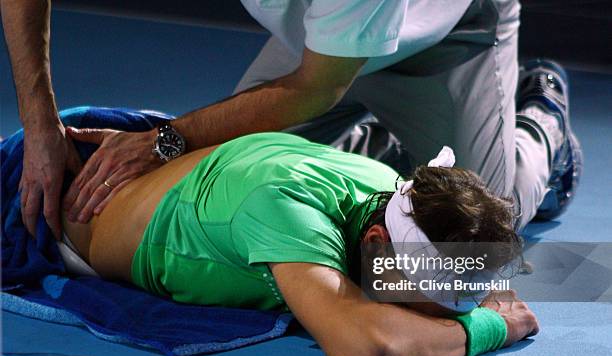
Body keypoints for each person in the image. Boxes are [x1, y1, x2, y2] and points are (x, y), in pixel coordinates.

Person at [19, 110, 534, 356]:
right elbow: (371, 354)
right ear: (376, 242)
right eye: (437, 305)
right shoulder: (287, 213)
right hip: (52, 211)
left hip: (220, 172)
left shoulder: (391, 190)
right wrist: (489, 327)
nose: (445, 316)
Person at [1, 0, 581, 243]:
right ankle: (375, 143)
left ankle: (541, 121)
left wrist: (168, 138)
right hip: (320, 46)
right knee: (217, 185)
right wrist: (41, 125)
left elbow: (316, 87)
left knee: (482, 235)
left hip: (445, 35)